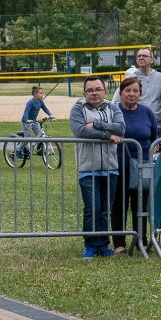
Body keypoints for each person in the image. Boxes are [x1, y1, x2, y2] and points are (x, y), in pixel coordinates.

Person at [70, 76, 125, 259]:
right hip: (88, 168)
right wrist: (108, 136)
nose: (94, 93)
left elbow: (121, 128)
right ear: (84, 93)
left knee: (104, 210)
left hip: (110, 168)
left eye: (98, 89)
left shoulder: (113, 107)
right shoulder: (78, 108)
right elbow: (81, 131)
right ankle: (91, 245)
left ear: (105, 91)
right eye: (90, 90)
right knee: (91, 209)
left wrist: (98, 125)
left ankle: (103, 245)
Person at [111, 77, 158, 254]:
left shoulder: (147, 112)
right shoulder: (114, 111)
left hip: (142, 165)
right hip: (119, 164)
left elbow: (154, 137)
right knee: (119, 204)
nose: (131, 94)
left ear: (140, 93)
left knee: (141, 204)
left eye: (135, 91)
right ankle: (119, 243)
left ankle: (142, 240)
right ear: (121, 93)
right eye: (128, 91)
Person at [113, 48, 161, 125]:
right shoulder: (131, 78)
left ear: (151, 60)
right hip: (137, 120)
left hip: (157, 122)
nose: (141, 58)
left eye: (144, 56)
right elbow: (116, 100)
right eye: (139, 56)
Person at [19, 86, 53, 157]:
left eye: (42, 93)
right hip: (27, 122)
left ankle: (39, 149)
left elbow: (45, 108)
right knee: (28, 138)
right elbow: (26, 112)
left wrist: (50, 114)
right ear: (35, 94)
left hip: (34, 121)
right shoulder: (30, 102)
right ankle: (18, 150)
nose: (42, 95)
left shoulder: (41, 101)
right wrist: (26, 120)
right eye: (40, 93)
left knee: (40, 135)